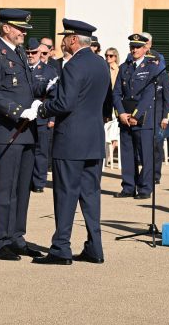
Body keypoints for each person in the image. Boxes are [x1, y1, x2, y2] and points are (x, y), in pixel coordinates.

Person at [33, 19, 110, 265]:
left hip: (71, 139)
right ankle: (94, 247)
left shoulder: (74, 65)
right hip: (94, 138)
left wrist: (43, 109)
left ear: (74, 39)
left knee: (65, 194)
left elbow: (64, 103)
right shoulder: (100, 64)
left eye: (65, 36)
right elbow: (106, 103)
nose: (63, 40)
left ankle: (61, 248)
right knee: (90, 195)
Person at [0, 8, 45, 261]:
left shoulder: (18, 51)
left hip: (27, 131)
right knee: (6, 188)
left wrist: (47, 86)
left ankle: (16, 237)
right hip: (9, 130)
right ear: (6, 27)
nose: (24, 33)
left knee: (22, 188)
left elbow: (26, 87)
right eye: (20, 28)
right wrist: (18, 111)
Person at [112, 34, 168, 199]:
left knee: (145, 155)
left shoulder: (152, 68)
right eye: (132, 47)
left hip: (144, 118)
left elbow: (149, 94)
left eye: (138, 47)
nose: (134, 49)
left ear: (145, 48)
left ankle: (144, 188)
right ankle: (128, 187)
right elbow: (116, 93)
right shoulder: (124, 67)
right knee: (127, 154)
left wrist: (136, 115)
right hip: (125, 118)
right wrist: (121, 113)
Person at [25, 38, 58, 193]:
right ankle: (25, 179)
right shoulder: (21, 68)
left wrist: (52, 118)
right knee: (25, 150)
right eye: (28, 52)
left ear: (40, 53)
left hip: (42, 116)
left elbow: (54, 97)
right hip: (24, 116)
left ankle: (39, 182)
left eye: (34, 52)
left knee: (41, 150)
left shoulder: (49, 71)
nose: (31, 55)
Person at [104, 47, 120, 160]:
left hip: (114, 101)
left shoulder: (118, 70)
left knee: (114, 127)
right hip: (104, 100)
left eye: (110, 55)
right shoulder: (102, 67)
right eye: (106, 55)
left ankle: (110, 153)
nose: (108, 57)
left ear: (115, 57)